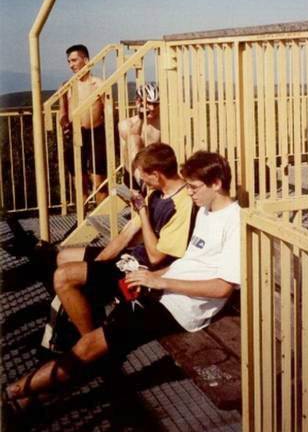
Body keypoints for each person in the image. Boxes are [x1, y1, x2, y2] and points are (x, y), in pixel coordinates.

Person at [5, 151, 240, 414]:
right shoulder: (207, 210)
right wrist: (152, 278)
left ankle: (14, 391)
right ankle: (31, 392)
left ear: (216, 183)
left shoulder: (234, 223)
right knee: (94, 336)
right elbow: (188, 264)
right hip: (162, 289)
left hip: (179, 308)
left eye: (194, 187)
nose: (190, 192)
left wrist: (161, 282)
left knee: (91, 344)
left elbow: (222, 288)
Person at [41, 142, 195, 346]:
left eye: (144, 176)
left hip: (144, 270)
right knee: (64, 257)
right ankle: (91, 319)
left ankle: (90, 344)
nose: (142, 181)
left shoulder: (183, 204)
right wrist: (97, 264)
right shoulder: (157, 192)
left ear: (156, 175)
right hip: (132, 257)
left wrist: (142, 212)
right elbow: (126, 234)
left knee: (63, 277)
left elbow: (156, 258)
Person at [60, 44, 107, 205]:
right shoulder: (66, 86)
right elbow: (62, 113)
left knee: (99, 182)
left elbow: (109, 110)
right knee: (79, 183)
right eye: (69, 61)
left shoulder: (98, 83)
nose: (71, 65)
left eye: (74, 60)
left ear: (86, 60)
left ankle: (103, 216)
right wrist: (64, 124)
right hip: (75, 136)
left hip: (97, 133)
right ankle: (82, 218)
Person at [118, 82, 161, 189]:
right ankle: (142, 182)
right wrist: (142, 118)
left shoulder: (163, 122)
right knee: (133, 138)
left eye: (155, 104)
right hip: (133, 174)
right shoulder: (126, 124)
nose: (152, 108)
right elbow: (130, 138)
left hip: (156, 171)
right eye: (149, 103)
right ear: (138, 102)